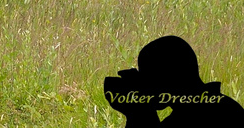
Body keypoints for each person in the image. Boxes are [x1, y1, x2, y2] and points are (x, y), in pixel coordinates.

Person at [104, 35, 244, 126]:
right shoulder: (224, 107)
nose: (144, 85)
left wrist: (139, 112)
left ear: (165, 78)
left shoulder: (191, 117)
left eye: (147, 77)